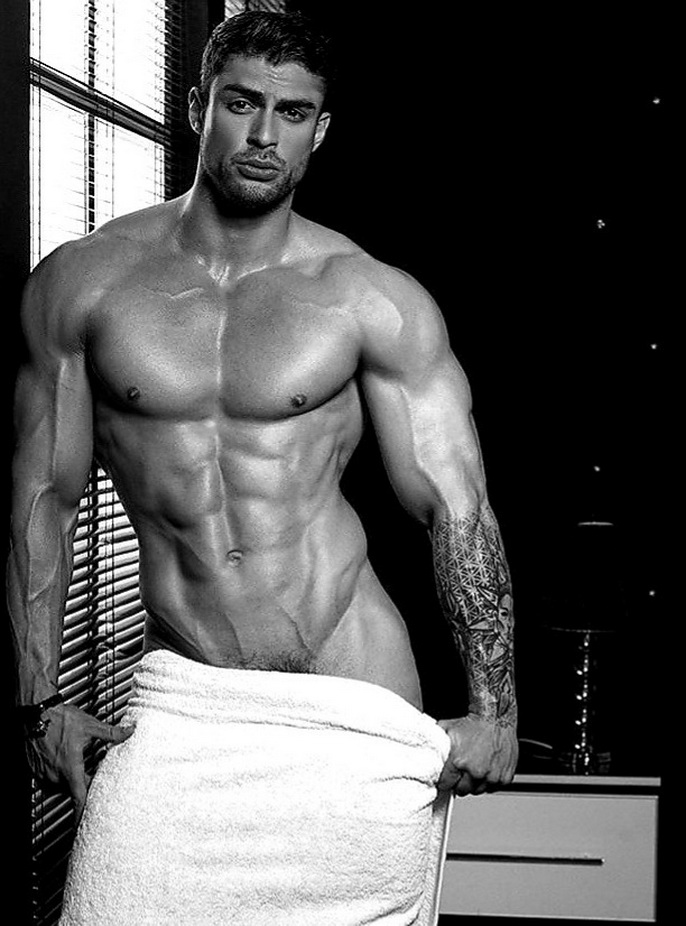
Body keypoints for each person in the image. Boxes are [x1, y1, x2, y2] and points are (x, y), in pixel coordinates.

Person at [8, 10, 517, 924]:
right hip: (188, 705)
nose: (262, 135)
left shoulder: (368, 296)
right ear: (198, 106)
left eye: (292, 112)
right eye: (241, 103)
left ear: (319, 130)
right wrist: (38, 705)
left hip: (353, 699)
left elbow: (458, 508)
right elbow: (43, 501)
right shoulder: (85, 283)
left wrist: (496, 711)